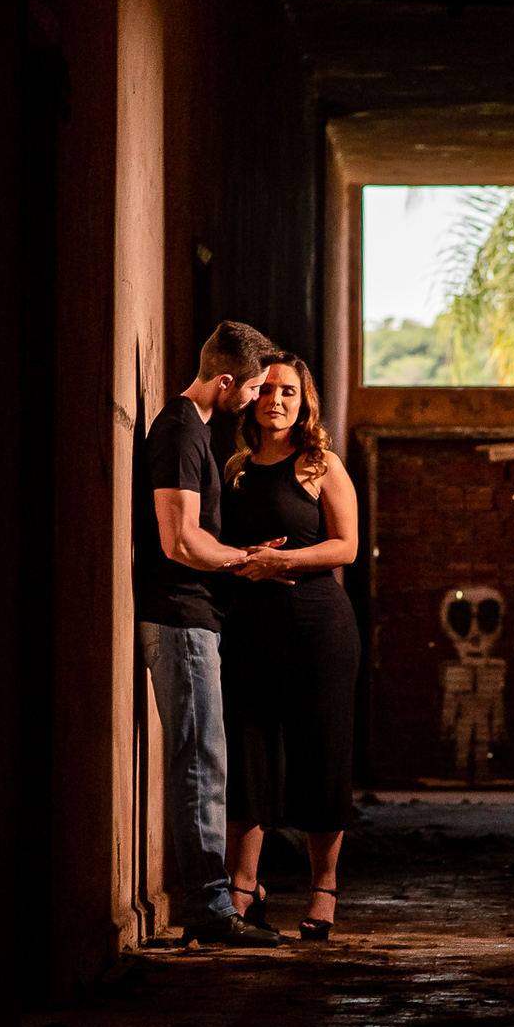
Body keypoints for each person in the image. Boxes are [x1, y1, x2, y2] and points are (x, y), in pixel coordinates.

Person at [135, 320, 283, 947]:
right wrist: (242, 560)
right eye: (251, 389)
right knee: (201, 763)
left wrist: (235, 557)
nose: (255, 400)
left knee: (205, 760)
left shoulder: (192, 431)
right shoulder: (178, 433)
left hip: (194, 619)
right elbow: (179, 539)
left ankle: (210, 902)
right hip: (180, 619)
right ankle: (208, 907)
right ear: (225, 381)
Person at [220, 355, 360, 940]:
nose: (276, 400)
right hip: (249, 629)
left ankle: (323, 890)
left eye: (290, 392)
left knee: (320, 756)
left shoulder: (320, 465)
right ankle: (243, 887)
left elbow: (347, 547)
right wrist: (242, 564)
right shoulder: (234, 468)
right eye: (269, 389)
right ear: (252, 396)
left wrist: (284, 561)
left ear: (305, 404)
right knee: (246, 757)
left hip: (317, 629)